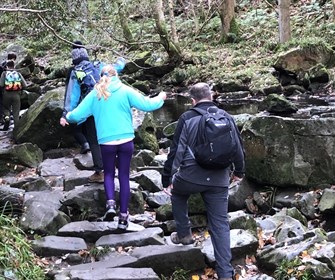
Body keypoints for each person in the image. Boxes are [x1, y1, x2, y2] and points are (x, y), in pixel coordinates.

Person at [66, 64, 167, 229]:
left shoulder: (95, 94)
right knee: (124, 177)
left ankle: (111, 204)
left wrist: (67, 115)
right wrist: (161, 97)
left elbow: (76, 115)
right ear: (116, 75)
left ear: (101, 76)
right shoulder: (125, 90)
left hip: (106, 142)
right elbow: (148, 105)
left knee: (108, 174)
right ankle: (123, 217)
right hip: (126, 140)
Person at [161, 82, 244, 280]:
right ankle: (225, 273)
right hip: (219, 179)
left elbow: (176, 152)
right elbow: (238, 148)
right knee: (220, 224)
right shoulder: (227, 117)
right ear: (212, 96)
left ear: (192, 101)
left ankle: (184, 234)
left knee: (178, 193)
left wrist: (167, 179)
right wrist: (239, 172)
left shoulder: (187, 117)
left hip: (190, 177)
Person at [60, 41, 125, 183]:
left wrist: (66, 114)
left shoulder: (76, 72)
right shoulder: (99, 65)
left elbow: (72, 96)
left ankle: (100, 172)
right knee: (109, 136)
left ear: (74, 59)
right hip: (107, 105)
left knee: (94, 141)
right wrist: (122, 59)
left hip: (91, 110)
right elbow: (117, 68)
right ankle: (117, 164)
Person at [0, 60, 26, 131]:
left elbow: (1, 84)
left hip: (6, 95)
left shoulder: (4, 73)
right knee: (16, 113)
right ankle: (16, 130)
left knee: (6, 109)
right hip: (17, 95)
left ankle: (7, 119)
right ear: (14, 66)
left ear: (7, 66)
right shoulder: (18, 73)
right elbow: (25, 85)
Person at [0, 52, 17, 125]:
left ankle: (1, 118)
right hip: (5, 87)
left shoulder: (0, 65)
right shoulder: (9, 67)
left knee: (1, 102)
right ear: (13, 59)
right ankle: (7, 117)